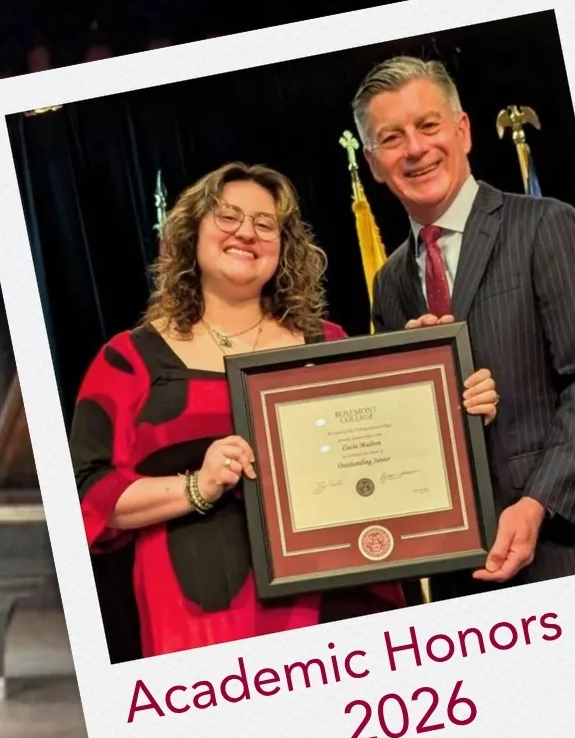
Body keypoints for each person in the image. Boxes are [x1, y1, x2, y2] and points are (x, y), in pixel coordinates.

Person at [69, 160, 501, 657]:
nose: (246, 233)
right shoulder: (130, 360)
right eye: (228, 217)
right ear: (192, 234)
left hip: (347, 604)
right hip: (207, 620)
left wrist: (442, 392)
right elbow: (86, 496)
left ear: (284, 245)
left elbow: (387, 458)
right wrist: (197, 485)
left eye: (265, 224)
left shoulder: (330, 343)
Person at [355, 55, 575, 596]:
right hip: (461, 573)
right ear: (372, 162)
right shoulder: (388, 284)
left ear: (462, 131)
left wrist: (537, 505)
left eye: (428, 125)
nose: (414, 149)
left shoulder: (544, 226)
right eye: (391, 138)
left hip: (570, 552)